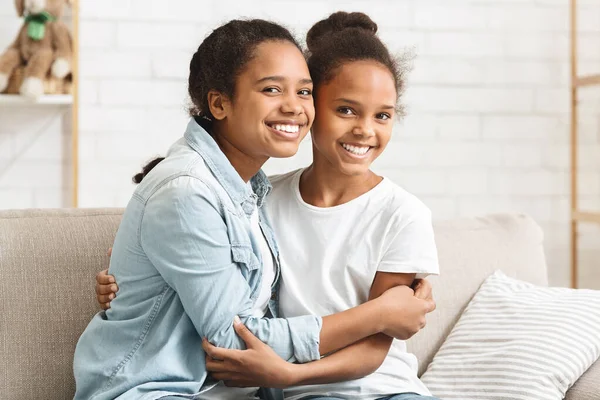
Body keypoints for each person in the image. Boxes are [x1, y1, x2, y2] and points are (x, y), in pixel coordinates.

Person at [76, 16, 436, 400]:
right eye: (272, 89)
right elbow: (235, 337)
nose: (294, 107)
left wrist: (134, 280)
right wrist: (379, 313)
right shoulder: (212, 193)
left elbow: (240, 295)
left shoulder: (251, 193)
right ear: (219, 103)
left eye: (303, 92)